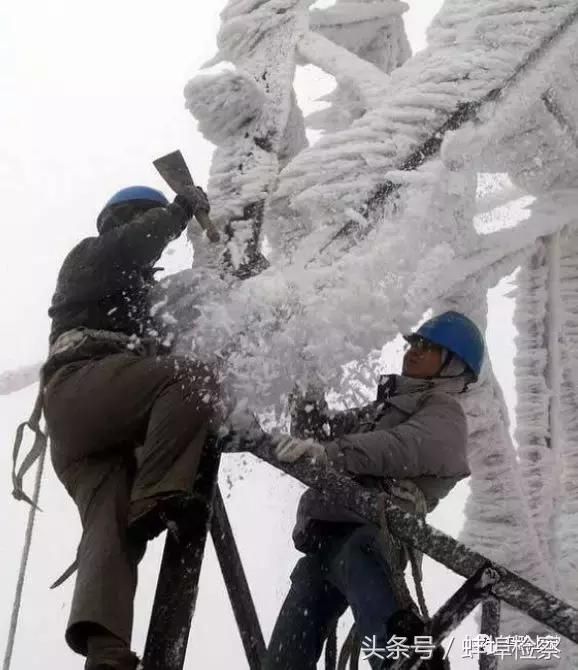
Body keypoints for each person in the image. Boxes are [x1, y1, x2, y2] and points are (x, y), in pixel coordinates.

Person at [41, 185, 223, 670]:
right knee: (192, 378)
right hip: (83, 385)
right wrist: (180, 210)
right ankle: (158, 495)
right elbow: (136, 243)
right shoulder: (92, 257)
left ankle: (106, 653)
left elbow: (198, 297)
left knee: (111, 532)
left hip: (87, 427)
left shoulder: (139, 301)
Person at [264, 311, 485, 670]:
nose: (414, 350)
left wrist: (330, 453)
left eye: (428, 346)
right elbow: (320, 434)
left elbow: (403, 447)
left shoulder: (444, 412)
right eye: (414, 342)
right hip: (328, 539)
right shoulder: (384, 408)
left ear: (453, 365)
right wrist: (304, 374)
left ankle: (406, 660)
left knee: (362, 560)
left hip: (375, 534)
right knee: (307, 594)